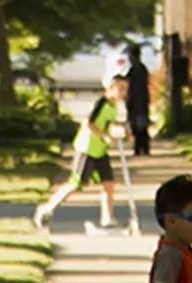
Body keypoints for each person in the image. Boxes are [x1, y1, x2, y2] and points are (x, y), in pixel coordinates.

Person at [34, 95, 132, 232]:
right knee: (76, 183)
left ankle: (107, 219)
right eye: (120, 88)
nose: (123, 92)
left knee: (108, 183)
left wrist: (123, 132)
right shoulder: (101, 103)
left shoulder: (113, 106)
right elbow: (87, 123)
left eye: (125, 89)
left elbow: (108, 124)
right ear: (110, 88)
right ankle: (47, 208)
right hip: (87, 149)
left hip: (100, 151)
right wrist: (104, 136)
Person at [120, 42, 155, 157]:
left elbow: (134, 88)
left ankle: (142, 148)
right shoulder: (138, 69)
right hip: (138, 101)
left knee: (139, 126)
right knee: (137, 126)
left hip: (138, 102)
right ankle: (140, 147)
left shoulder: (137, 70)